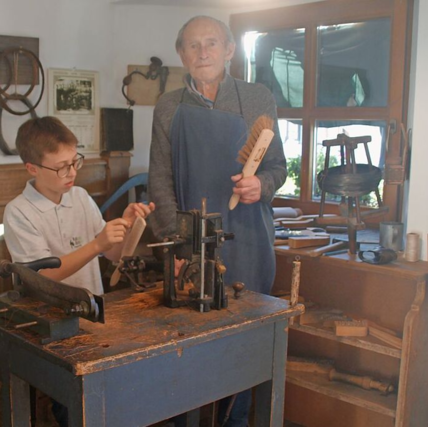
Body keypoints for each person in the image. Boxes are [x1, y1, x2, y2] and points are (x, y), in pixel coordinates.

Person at [148, 16, 287, 427]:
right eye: (193, 45)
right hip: (192, 243)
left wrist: (260, 185)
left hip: (246, 239)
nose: (202, 52)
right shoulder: (169, 106)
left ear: (229, 50)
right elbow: (160, 181)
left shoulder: (257, 97)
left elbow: (277, 167)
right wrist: (178, 243)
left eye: (211, 43)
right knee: (187, 350)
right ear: (181, 54)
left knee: (240, 353)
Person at [3, 116, 154, 426]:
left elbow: (112, 254)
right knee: (81, 409)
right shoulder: (19, 212)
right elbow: (44, 279)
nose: (71, 173)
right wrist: (97, 244)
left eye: (75, 162)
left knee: (131, 392)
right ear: (32, 168)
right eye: (61, 167)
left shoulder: (80, 198)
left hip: (92, 319)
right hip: (50, 328)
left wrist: (125, 226)